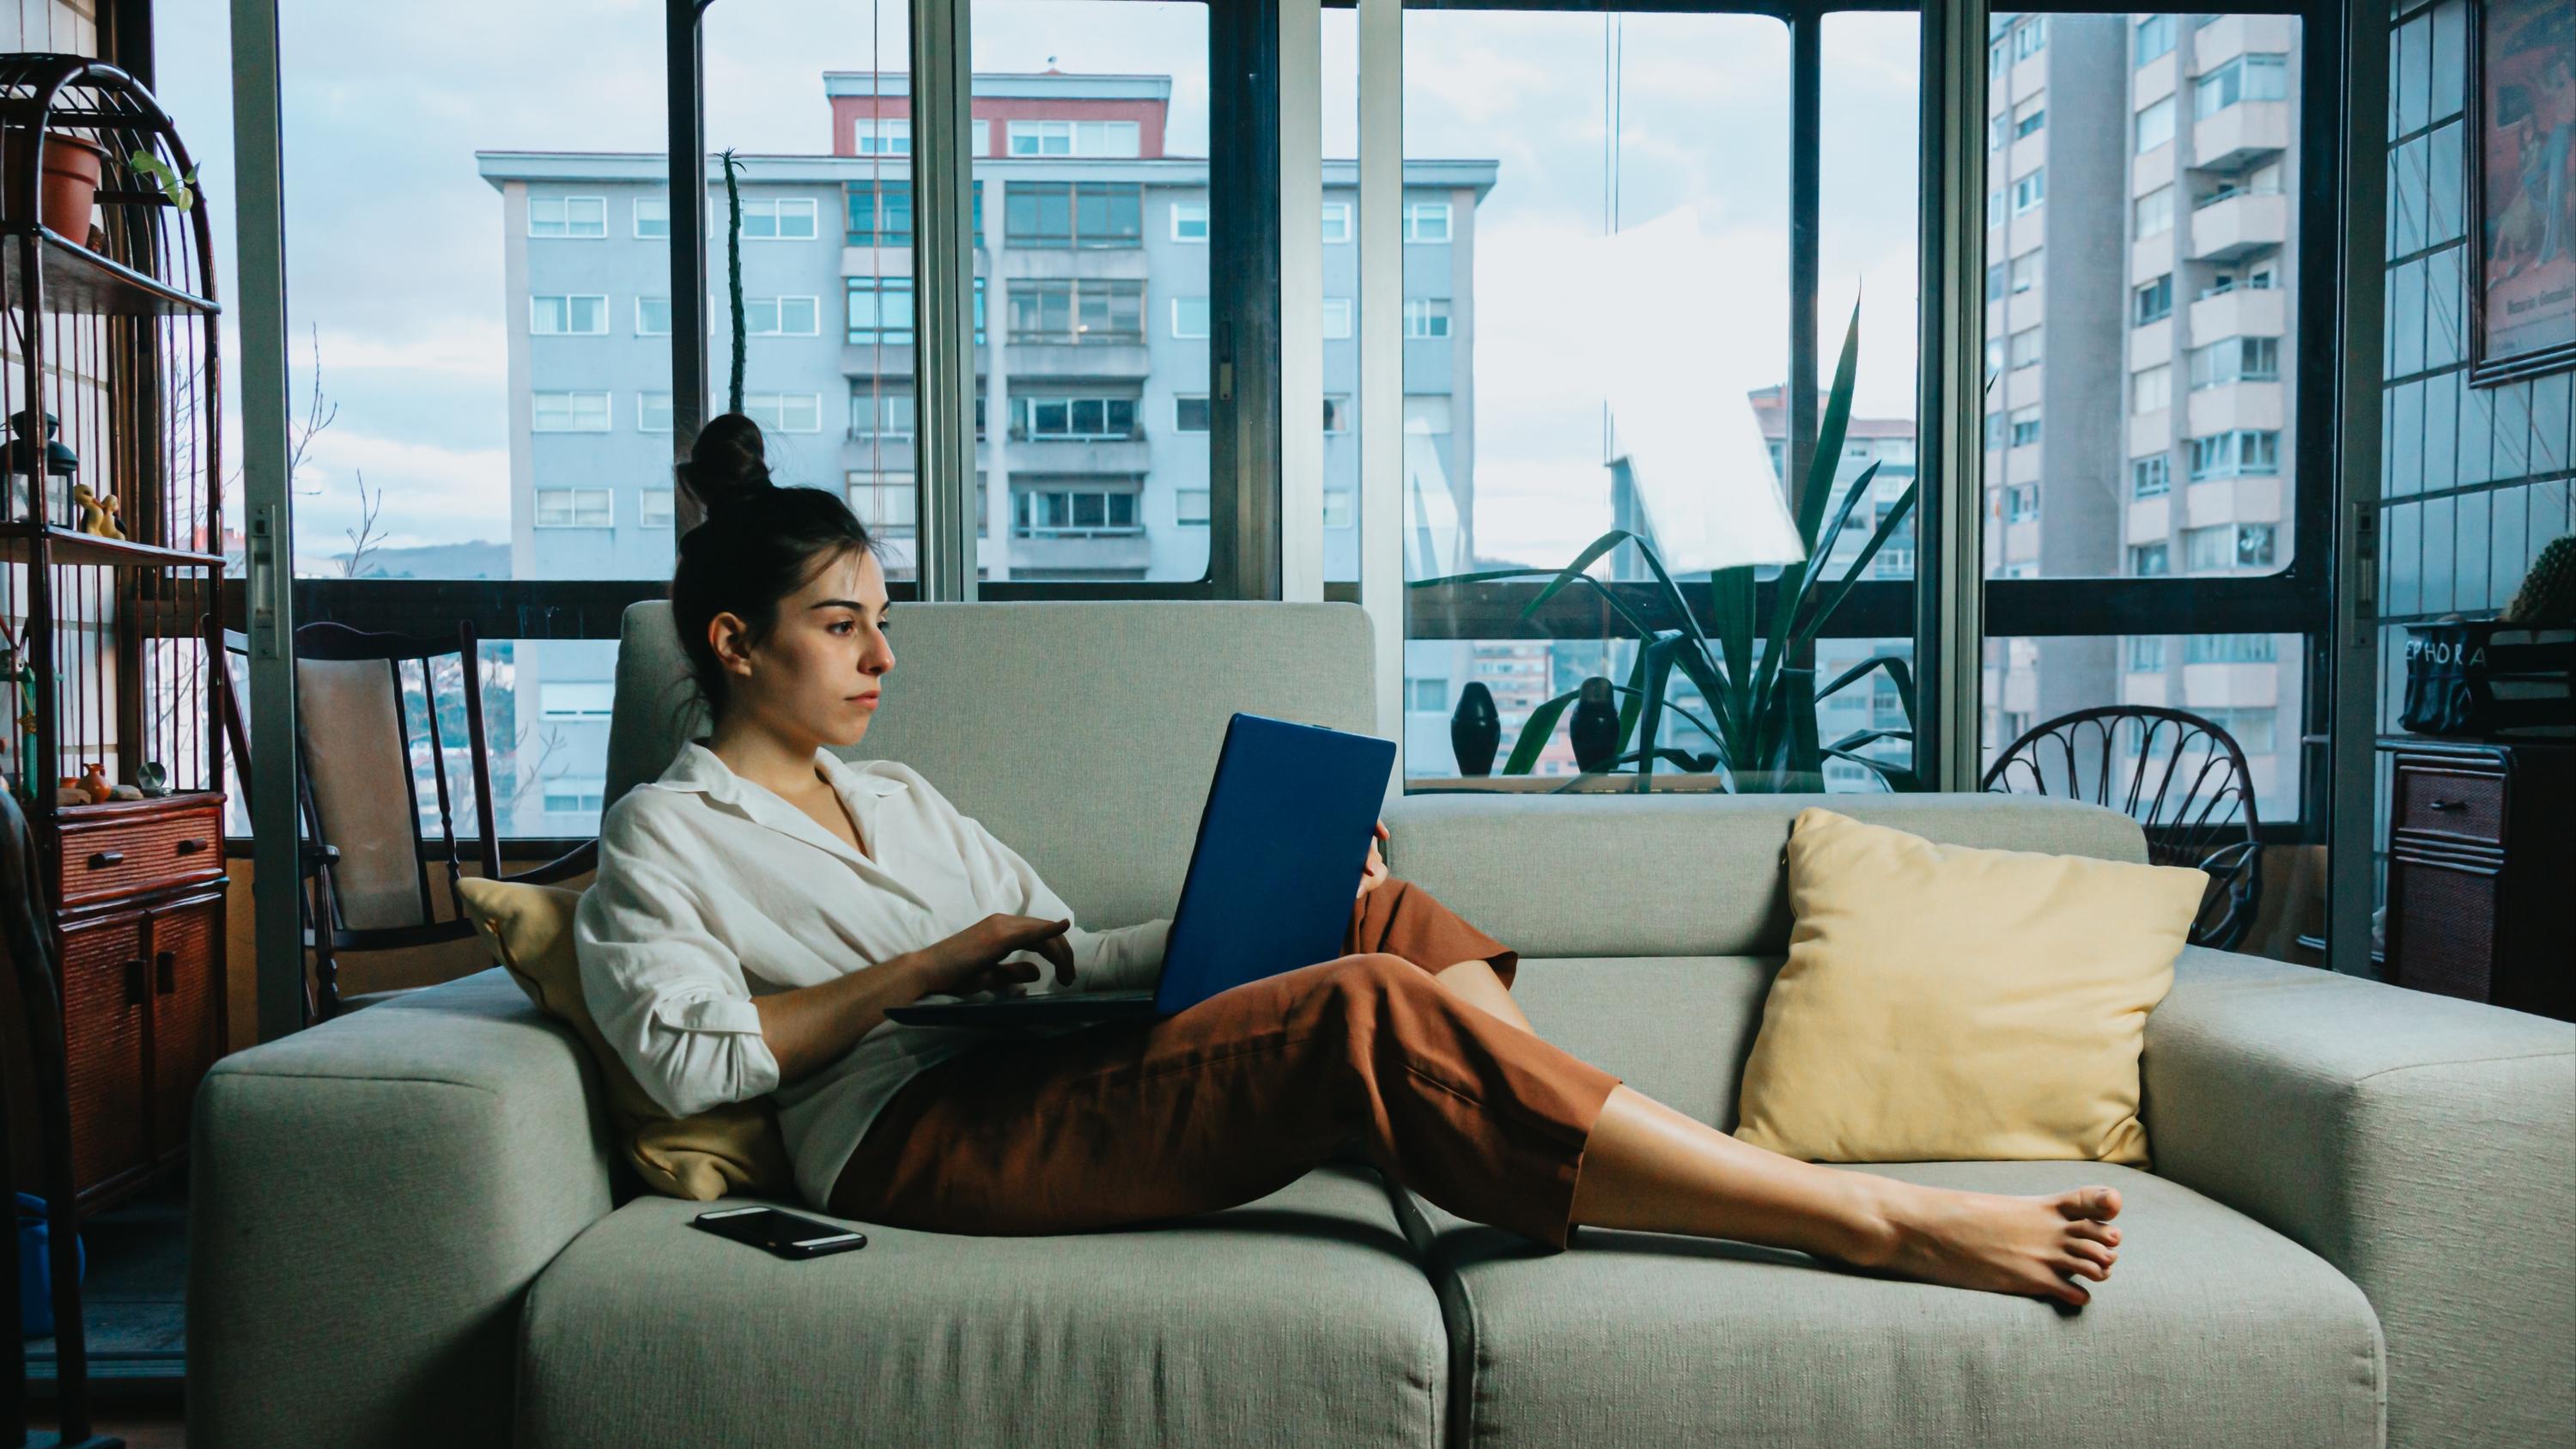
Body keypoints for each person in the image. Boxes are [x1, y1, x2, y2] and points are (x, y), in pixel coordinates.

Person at [576, 414, 2124, 1306]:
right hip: (911, 1139)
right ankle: (1862, 1218)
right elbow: (696, 1054)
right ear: (734, 642)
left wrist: (1273, 894)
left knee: (1372, 910)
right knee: (1360, 1010)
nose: (881, 659)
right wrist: (926, 968)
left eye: (884, 622)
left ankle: (1549, 1139)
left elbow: (1053, 953)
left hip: (1031, 1066)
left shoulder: (900, 796)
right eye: (843, 626)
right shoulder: (665, 835)